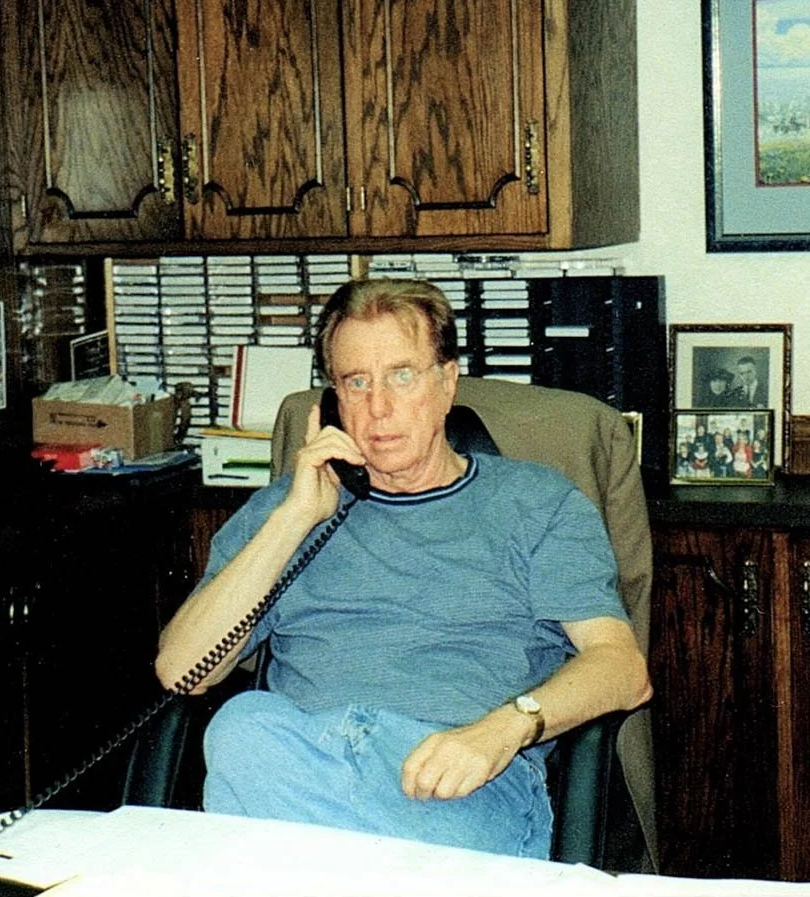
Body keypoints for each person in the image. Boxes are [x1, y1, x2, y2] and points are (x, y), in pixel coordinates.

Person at [155, 278, 650, 860]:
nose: (378, 407)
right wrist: (295, 518)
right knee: (244, 726)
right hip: (307, 761)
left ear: (446, 384)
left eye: (402, 375)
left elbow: (621, 668)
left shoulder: (537, 504)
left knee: (262, 790)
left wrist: (504, 728)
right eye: (356, 382)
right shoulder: (284, 513)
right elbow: (183, 671)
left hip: (456, 781)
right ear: (332, 401)